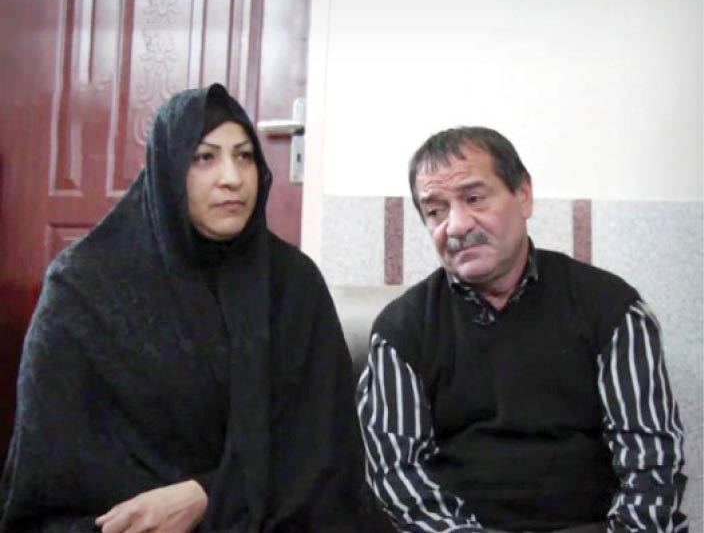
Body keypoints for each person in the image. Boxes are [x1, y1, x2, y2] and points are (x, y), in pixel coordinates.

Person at [0, 84, 362, 532]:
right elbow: (55, 473)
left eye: (245, 156)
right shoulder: (84, 287)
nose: (232, 177)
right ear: (167, 168)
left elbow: (324, 443)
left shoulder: (292, 282)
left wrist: (209, 495)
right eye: (204, 157)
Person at [356, 127, 687, 533]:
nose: (456, 225)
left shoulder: (611, 309)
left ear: (523, 195)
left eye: (474, 198)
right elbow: (396, 474)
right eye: (436, 211)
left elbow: (652, 463)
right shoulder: (401, 330)